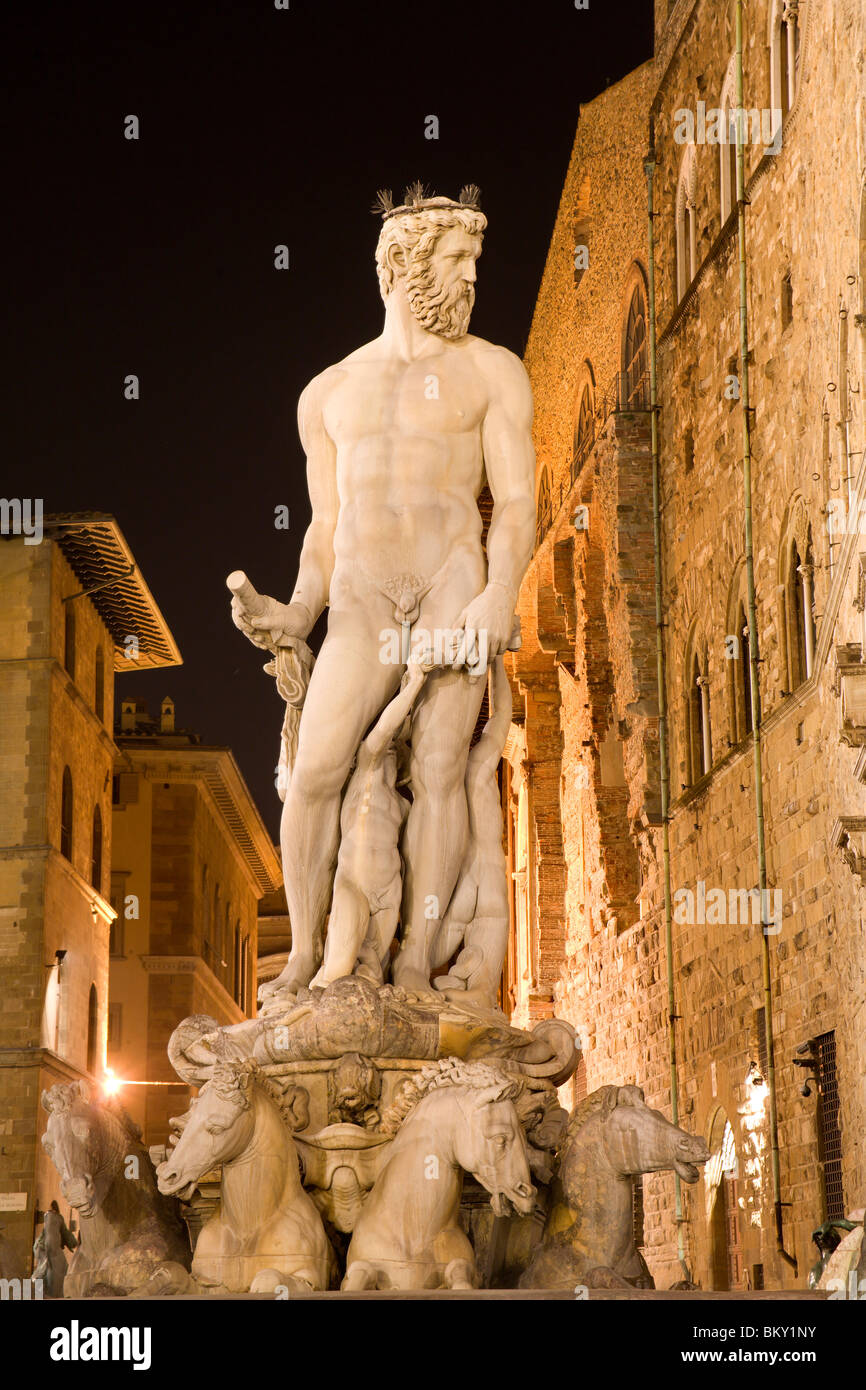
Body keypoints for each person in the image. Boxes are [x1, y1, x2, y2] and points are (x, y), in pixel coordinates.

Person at [232, 185, 535, 999]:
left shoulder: (493, 371)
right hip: (364, 599)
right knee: (317, 770)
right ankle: (303, 956)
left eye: (476, 262)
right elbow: (325, 526)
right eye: (459, 260)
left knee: (439, 768)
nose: (474, 276)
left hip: (452, 583)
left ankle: (414, 962)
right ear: (402, 264)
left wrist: (499, 591)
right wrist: (295, 611)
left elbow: (515, 504)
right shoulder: (327, 393)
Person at [33, 1199, 77, 1297]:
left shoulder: (47, 1217)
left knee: (45, 1270)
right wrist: (74, 1243)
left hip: (41, 1247)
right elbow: (64, 1234)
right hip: (49, 1248)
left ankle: (40, 1292)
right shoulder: (57, 1218)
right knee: (56, 1270)